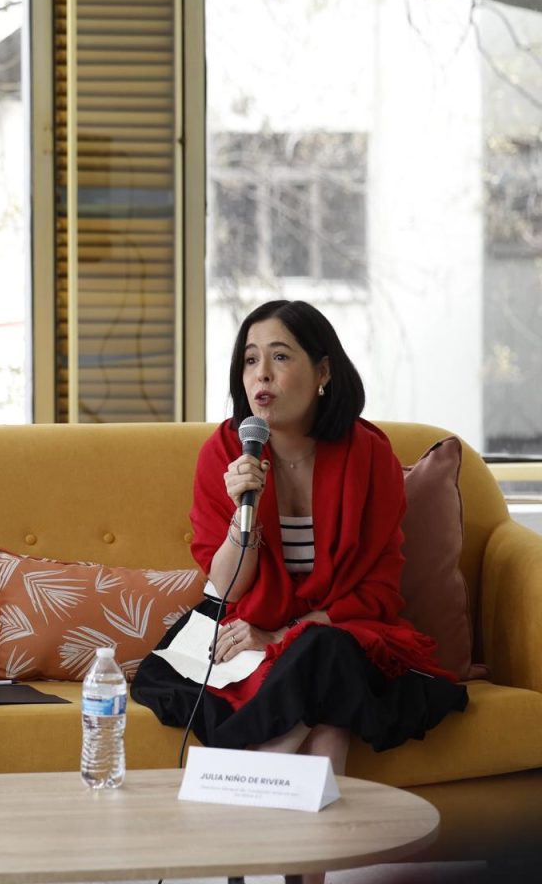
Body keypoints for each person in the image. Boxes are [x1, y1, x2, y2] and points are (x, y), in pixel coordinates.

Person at [131, 300, 467, 883]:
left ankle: (236, 821)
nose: (260, 374)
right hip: (250, 630)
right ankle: (304, 874)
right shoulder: (225, 454)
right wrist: (246, 511)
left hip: (340, 632)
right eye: (250, 359)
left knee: (323, 653)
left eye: (280, 357)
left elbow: (380, 588)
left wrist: (286, 633)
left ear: (323, 372)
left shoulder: (370, 456)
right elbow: (228, 587)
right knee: (330, 716)